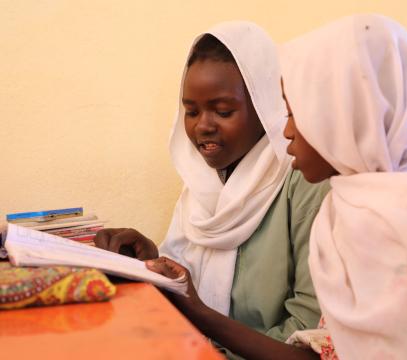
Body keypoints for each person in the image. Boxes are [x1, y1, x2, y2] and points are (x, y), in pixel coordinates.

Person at [95, 21, 330, 359]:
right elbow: (187, 290)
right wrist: (148, 262)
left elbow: (308, 334)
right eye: (191, 111)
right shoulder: (204, 182)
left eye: (223, 111)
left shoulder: (306, 181)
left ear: (266, 107)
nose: (202, 126)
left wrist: (207, 342)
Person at [280, 14, 407, 359]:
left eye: (295, 111)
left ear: (345, 111)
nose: (286, 131)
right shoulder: (361, 205)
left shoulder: (386, 221)